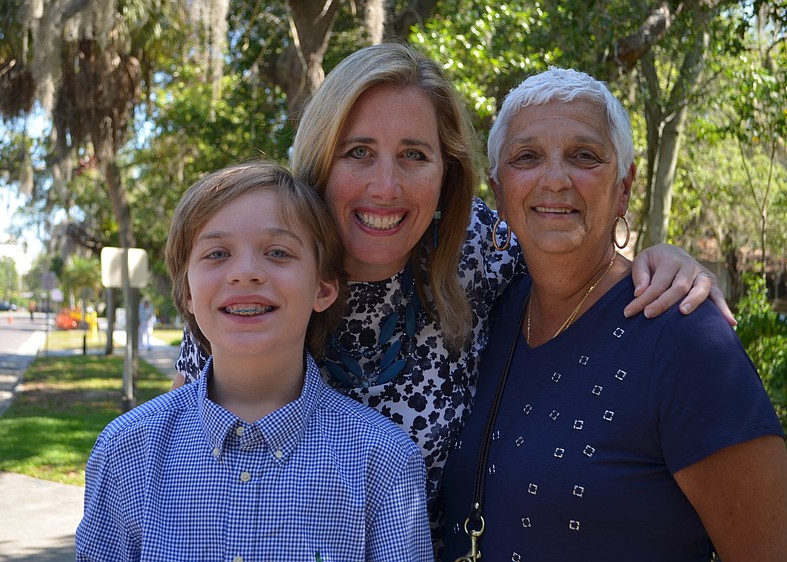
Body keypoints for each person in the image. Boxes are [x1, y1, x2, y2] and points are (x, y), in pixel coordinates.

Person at [172, 43, 730, 542]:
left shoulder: (479, 252)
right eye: (358, 152)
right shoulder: (258, 283)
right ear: (319, 161)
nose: (385, 187)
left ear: (447, 175)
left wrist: (659, 259)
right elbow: (181, 467)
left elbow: (580, 256)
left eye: (414, 155)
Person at [441, 68, 787, 561]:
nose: (555, 179)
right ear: (499, 191)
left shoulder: (683, 335)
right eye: (527, 157)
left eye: (584, 156)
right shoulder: (487, 314)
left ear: (625, 187)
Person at [76, 161, 433, 561]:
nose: (245, 273)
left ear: (324, 287)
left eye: (278, 252)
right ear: (188, 294)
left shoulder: (382, 461)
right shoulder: (126, 450)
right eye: (217, 253)